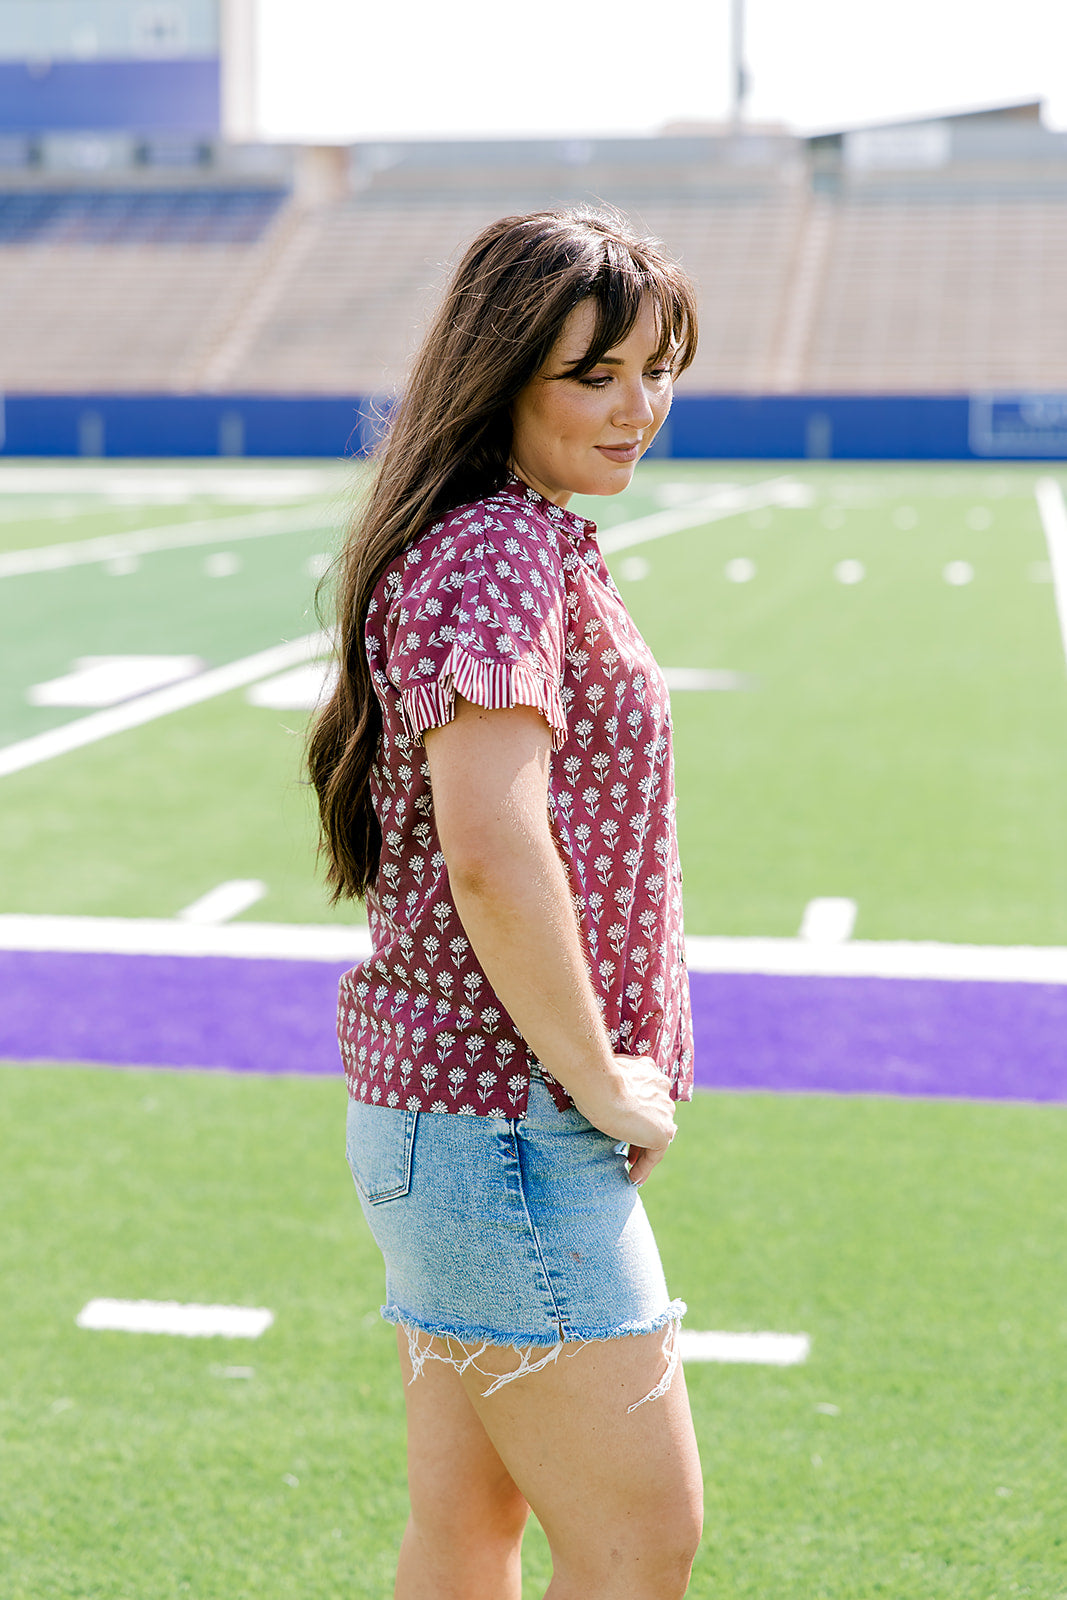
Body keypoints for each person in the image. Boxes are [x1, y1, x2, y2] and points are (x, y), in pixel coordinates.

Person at [308, 207, 704, 1600]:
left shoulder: (505, 536)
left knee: (470, 1535)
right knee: (642, 1538)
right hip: (506, 1129)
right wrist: (604, 1082)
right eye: (595, 375)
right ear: (499, 373)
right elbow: (490, 843)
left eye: (658, 371)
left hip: (458, 1121)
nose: (638, 408)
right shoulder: (496, 553)